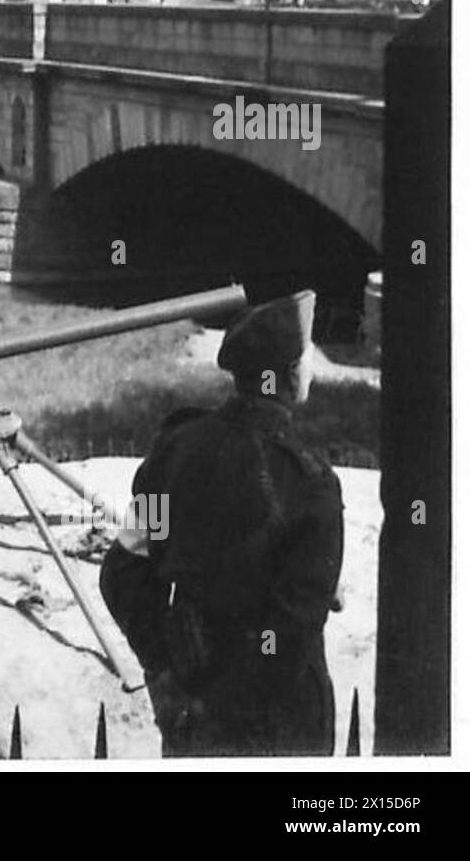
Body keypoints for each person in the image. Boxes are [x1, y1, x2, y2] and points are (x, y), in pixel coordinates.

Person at [99, 290, 344, 756]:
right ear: (289, 375)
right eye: (307, 357)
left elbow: (122, 572)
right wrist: (227, 708)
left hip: (189, 699)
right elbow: (288, 634)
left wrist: (164, 673)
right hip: (277, 724)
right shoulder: (311, 484)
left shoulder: (173, 452)